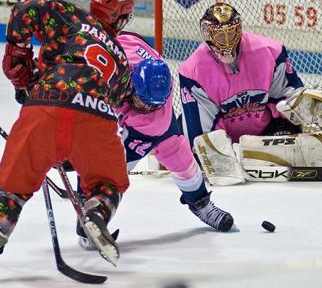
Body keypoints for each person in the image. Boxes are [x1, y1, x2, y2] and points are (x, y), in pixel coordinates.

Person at [0, 0, 135, 281]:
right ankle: (95, 212)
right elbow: (115, 98)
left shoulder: (71, 17)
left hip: (45, 104)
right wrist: (70, 150)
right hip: (96, 116)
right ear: (120, 19)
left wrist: (20, 62)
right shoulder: (121, 59)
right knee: (109, 183)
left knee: (12, 188)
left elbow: (24, 10)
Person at [73, 31, 234, 251]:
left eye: (153, 104)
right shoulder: (111, 73)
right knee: (104, 172)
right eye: (143, 102)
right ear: (131, 83)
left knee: (182, 162)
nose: (148, 109)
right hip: (115, 105)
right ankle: (88, 219)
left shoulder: (154, 108)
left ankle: (201, 205)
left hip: (153, 129)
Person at [179, 2, 305, 147]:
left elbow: (286, 100)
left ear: (238, 29)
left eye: (230, 33)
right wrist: (226, 154)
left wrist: (306, 108)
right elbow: (204, 134)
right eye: (220, 36)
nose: (226, 42)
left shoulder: (270, 52)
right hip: (223, 137)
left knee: (289, 136)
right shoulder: (193, 71)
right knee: (195, 145)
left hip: (267, 131)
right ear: (208, 35)